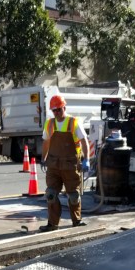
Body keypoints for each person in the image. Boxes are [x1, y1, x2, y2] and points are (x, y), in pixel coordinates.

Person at [39, 94, 91, 231]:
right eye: (54, 110)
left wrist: (86, 159)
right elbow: (46, 142)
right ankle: (52, 224)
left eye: (59, 109)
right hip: (53, 165)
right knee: (51, 194)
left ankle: (76, 221)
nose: (56, 113)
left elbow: (84, 141)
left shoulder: (73, 122)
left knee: (73, 195)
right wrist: (43, 158)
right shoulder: (49, 123)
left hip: (70, 165)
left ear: (64, 108)